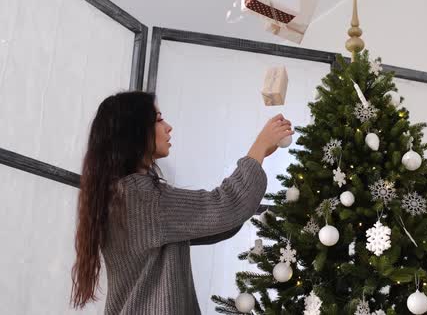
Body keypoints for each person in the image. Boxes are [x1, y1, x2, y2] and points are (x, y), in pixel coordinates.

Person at [70, 91, 293, 314]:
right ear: (134, 132)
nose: (168, 127)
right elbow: (224, 206)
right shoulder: (141, 196)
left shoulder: (120, 194)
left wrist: (258, 159)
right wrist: (259, 148)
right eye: (158, 120)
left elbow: (217, 224)